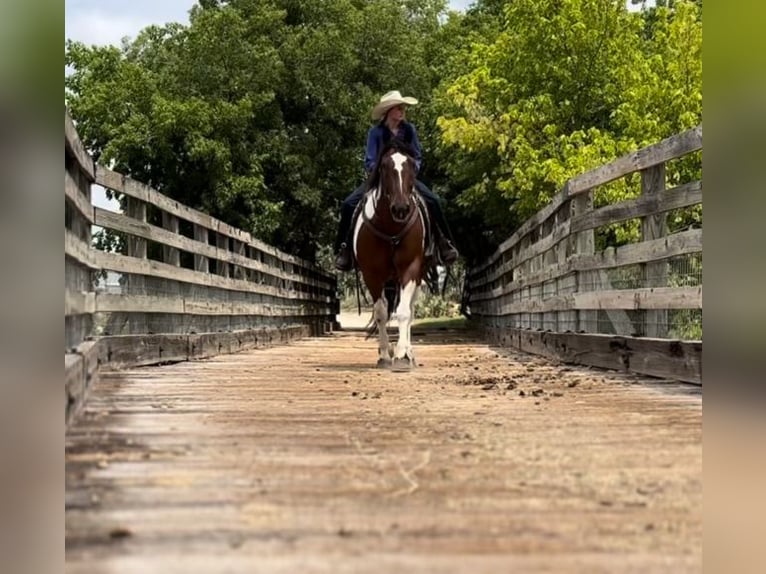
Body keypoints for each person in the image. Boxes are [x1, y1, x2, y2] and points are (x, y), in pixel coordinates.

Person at [334, 90, 459, 272]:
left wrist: (410, 171)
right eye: (398, 108)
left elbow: (417, 156)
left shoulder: (409, 131)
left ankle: (444, 243)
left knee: (433, 201)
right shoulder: (375, 133)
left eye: (403, 108)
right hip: (380, 178)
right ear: (389, 111)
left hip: (405, 178)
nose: (402, 111)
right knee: (348, 204)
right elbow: (369, 160)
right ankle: (343, 249)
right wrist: (381, 173)